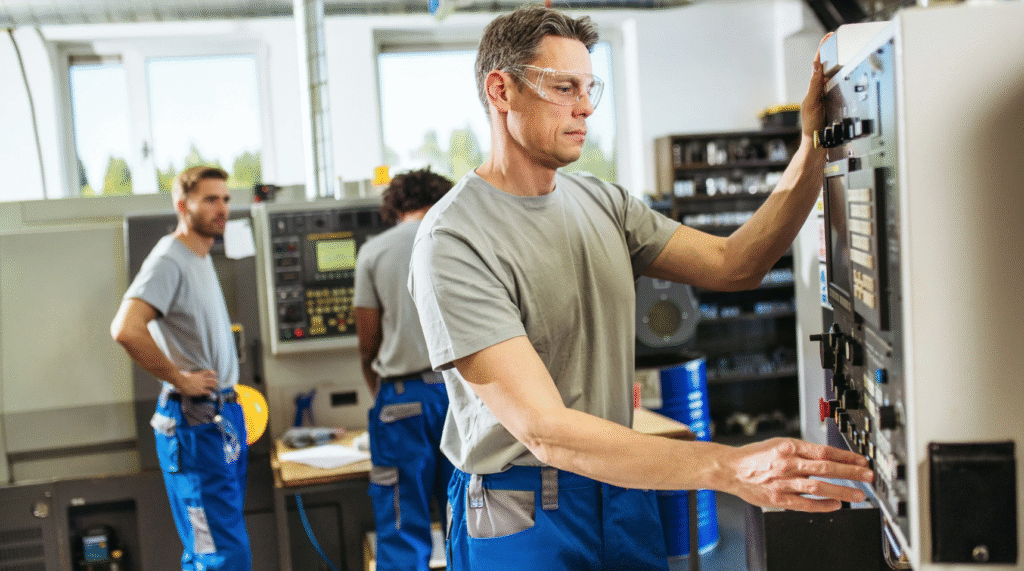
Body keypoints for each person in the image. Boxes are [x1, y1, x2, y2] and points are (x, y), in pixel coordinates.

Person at [407, 6, 874, 571]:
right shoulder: (454, 237)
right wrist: (728, 467)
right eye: (563, 87)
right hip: (525, 507)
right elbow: (544, 430)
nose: (584, 106)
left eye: (589, 87)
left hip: (622, 485)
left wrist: (812, 150)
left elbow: (735, 264)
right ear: (501, 91)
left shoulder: (603, 203)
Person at [110, 166, 250, 571]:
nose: (221, 208)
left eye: (225, 199)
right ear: (181, 205)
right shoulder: (169, 258)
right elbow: (125, 329)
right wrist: (179, 378)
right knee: (222, 555)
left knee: (212, 549)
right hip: (195, 424)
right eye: (210, 199)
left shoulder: (200, 256)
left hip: (221, 416)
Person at [354, 167, 456, 571]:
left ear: (395, 207)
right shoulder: (460, 238)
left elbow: (367, 345)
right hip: (461, 393)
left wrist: (383, 396)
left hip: (402, 400)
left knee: (401, 523)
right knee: (468, 516)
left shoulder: (374, 252)